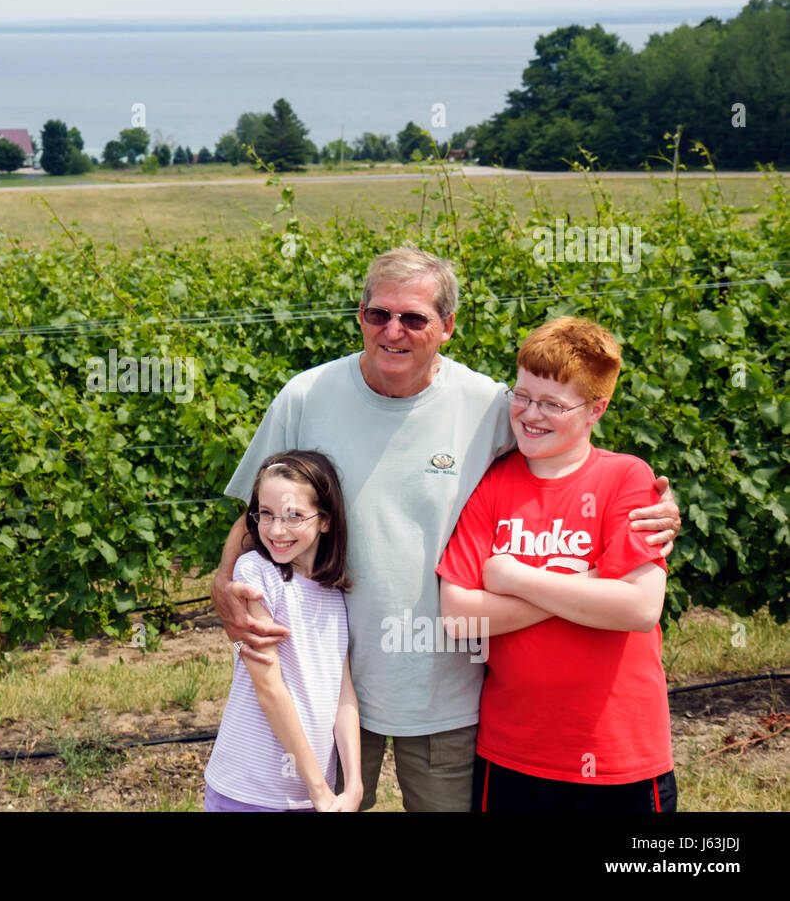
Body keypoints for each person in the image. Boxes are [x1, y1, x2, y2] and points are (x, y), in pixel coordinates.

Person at [211, 246, 680, 811]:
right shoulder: (306, 397)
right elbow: (256, 512)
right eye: (378, 313)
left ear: (448, 326)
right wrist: (222, 579)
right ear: (360, 315)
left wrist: (655, 502)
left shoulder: (488, 406)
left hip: (445, 691)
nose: (393, 331)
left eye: (414, 318)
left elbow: (565, 458)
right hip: (320, 677)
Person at [437, 317, 675, 811]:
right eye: (521, 396)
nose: (530, 414)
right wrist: (586, 582)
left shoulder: (626, 478)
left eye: (553, 404)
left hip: (617, 754)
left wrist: (514, 578)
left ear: (596, 409)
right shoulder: (494, 483)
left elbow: (637, 607)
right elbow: (459, 617)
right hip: (513, 753)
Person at [204, 451, 360, 812]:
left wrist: (352, 785)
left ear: (325, 520)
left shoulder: (333, 594)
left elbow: (344, 695)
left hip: (312, 793)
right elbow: (269, 689)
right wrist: (320, 789)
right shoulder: (256, 574)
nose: (276, 530)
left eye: (293, 516)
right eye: (266, 514)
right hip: (249, 792)